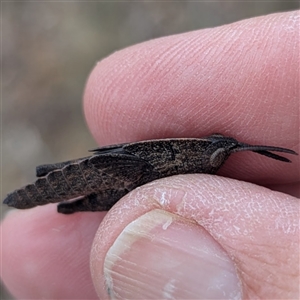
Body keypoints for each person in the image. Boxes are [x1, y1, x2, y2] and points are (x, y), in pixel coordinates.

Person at [1, 10, 299, 299]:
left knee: (76, 201)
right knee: (64, 180)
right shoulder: (168, 154)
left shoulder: (190, 158)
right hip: (120, 172)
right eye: (216, 148)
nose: (219, 154)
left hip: (130, 182)